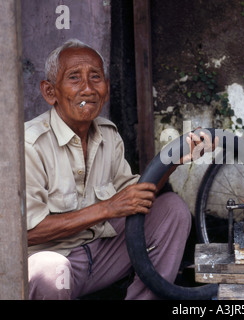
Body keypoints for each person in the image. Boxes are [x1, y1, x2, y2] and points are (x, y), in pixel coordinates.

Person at [25, 39, 213, 299]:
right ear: (50, 92)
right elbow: (27, 233)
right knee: (49, 269)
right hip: (57, 263)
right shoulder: (29, 145)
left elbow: (135, 196)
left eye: (95, 77)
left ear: (107, 88)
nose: (88, 89)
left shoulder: (107, 135)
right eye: (74, 78)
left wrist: (176, 159)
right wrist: (107, 208)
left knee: (173, 210)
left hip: (102, 256)